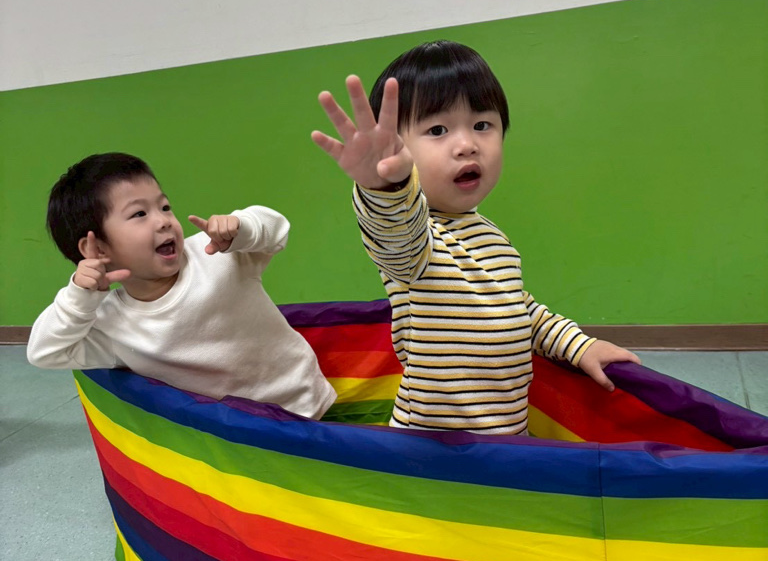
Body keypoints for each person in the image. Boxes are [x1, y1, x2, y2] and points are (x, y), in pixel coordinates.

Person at [312, 40, 639, 435]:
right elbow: (393, 233)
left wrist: (579, 345)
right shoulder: (417, 241)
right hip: (432, 447)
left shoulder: (493, 238)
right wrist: (385, 187)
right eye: (437, 130)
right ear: (396, 150)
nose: (467, 145)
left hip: (505, 436)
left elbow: (520, 310)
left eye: (482, 125)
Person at [27, 153, 336, 419]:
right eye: (139, 213)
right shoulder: (113, 325)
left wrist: (242, 227)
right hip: (234, 437)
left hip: (304, 402)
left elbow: (277, 230)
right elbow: (43, 351)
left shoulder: (213, 252)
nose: (164, 221)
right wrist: (80, 295)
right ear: (98, 249)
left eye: (164, 207)